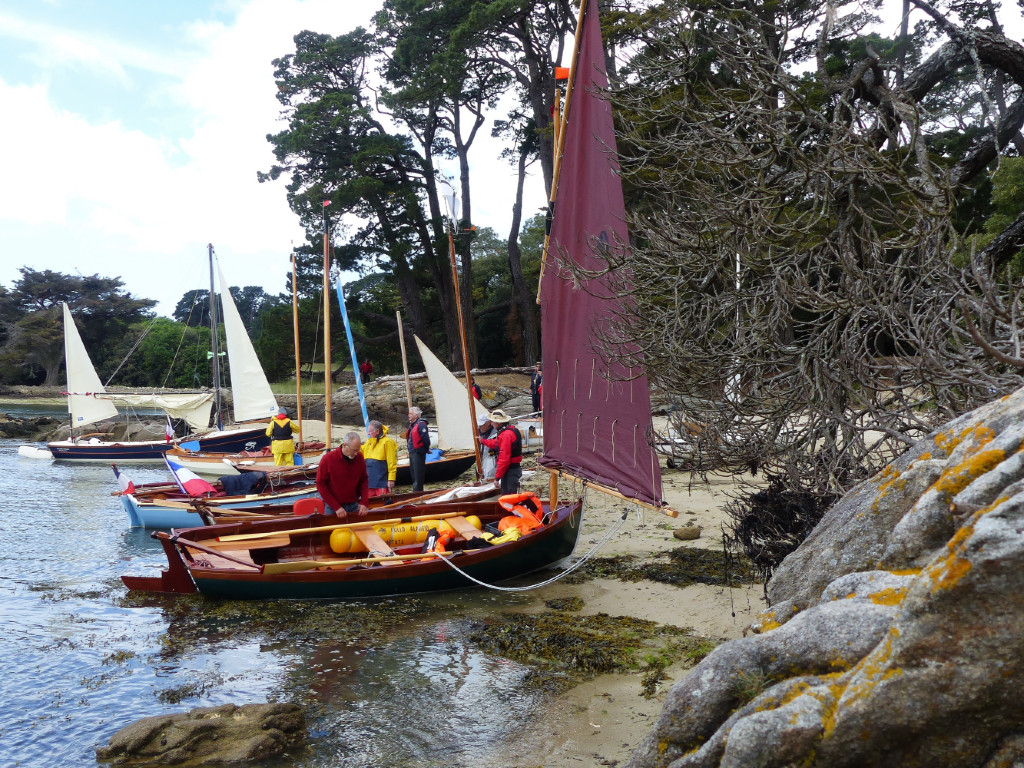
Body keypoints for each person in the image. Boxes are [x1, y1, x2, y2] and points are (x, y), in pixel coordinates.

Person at [315, 432, 369, 517]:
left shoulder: (359, 457)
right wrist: (336, 507)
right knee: (332, 530)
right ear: (344, 445)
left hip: (354, 505)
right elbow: (320, 484)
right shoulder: (328, 459)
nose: (356, 453)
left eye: (358, 450)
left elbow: (364, 480)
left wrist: (364, 502)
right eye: (354, 450)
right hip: (333, 507)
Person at [479, 409, 522, 495]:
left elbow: (504, 459)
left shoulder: (506, 435)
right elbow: (496, 443)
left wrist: (497, 478)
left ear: (498, 423)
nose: (491, 423)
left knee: (508, 497)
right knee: (509, 496)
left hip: (510, 470)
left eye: (492, 422)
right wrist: (483, 441)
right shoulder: (509, 430)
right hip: (512, 469)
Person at [362, 419, 397, 497]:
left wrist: (391, 479)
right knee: (369, 504)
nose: (368, 433)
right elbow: (360, 451)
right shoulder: (369, 442)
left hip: (382, 482)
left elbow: (392, 462)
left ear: (377, 431)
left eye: (370, 431)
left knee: (384, 502)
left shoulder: (387, 442)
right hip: (369, 481)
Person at [406, 406, 431, 492]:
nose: (408, 415)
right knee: (413, 475)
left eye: (410, 414)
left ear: (416, 416)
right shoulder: (412, 425)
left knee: (418, 476)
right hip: (412, 452)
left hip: (418, 453)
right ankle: (415, 491)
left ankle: (418, 493)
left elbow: (426, 439)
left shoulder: (421, 425)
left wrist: (426, 449)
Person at [477, 413, 497, 481]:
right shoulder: (479, 433)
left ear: (489, 423)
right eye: (479, 425)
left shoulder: (496, 433)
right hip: (484, 462)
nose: (480, 426)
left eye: (482, 424)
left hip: (493, 463)